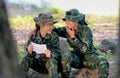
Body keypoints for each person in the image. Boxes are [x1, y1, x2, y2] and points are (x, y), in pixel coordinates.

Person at [29, 9, 109, 78]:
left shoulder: (86, 30)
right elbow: (53, 30)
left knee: (103, 62)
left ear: (76, 21)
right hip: (77, 57)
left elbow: (86, 50)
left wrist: (73, 37)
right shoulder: (66, 30)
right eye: (66, 20)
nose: (66, 22)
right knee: (66, 57)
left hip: (90, 57)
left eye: (69, 20)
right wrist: (37, 29)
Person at [20, 13, 61, 78]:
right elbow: (29, 54)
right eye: (49, 25)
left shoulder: (54, 36)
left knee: (52, 61)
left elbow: (58, 53)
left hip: (50, 66)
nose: (52, 27)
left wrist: (51, 54)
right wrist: (30, 52)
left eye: (52, 25)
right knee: (25, 59)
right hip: (38, 65)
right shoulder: (33, 35)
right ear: (41, 25)